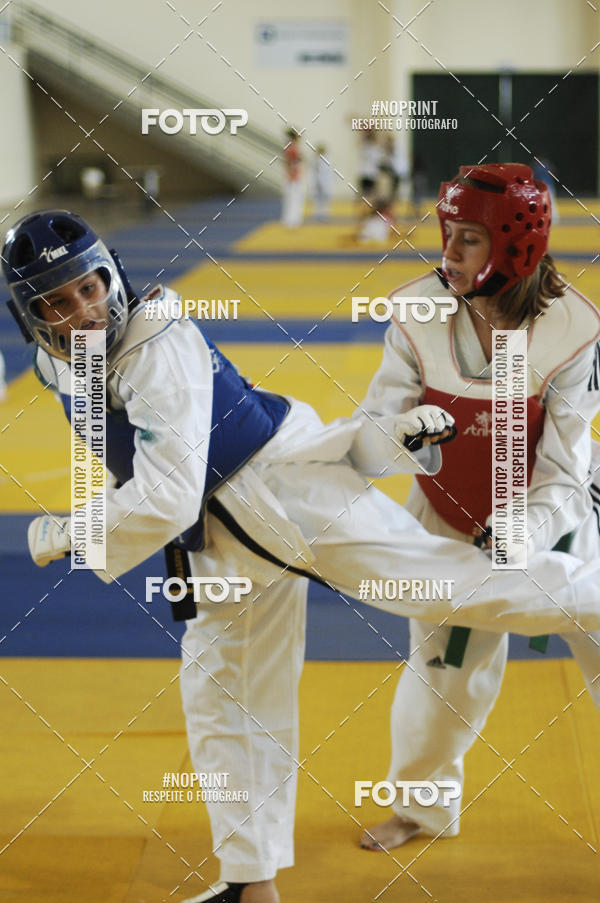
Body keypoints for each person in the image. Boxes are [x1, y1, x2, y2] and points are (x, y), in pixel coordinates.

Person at [4, 209, 600, 903]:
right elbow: (137, 458)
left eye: (90, 286)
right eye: (58, 298)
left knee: (450, 586)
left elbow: (165, 496)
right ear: (31, 315)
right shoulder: (61, 358)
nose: (83, 309)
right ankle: (250, 882)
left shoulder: (152, 342)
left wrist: (75, 531)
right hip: (224, 534)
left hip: (286, 490)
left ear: (113, 273)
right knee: (225, 693)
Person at [350, 163, 600, 853]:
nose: (446, 254)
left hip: (563, 521)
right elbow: (374, 426)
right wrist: (397, 439)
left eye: (466, 240)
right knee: (439, 682)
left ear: (515, 247)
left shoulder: (573, 330)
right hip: (446, 512)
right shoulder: (414, 312)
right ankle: (421, 811)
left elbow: (563, 471)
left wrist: (525, 527)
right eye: (446, 235)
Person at [280, 129, 304, 228]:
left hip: (292, 175)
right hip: (293, 177)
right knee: (294, 198)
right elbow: (289, 162)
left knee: (292, 198)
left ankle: (291, 220)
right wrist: (291, 174)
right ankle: (292, 220)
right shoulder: (292, 147)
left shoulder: (290, 147)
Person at [310, 144, 333, 222]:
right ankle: (318, 214)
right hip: (317, 183)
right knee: (317, 200)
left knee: (325, 200)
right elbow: (312, 172)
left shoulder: (327, 160)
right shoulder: (314, 160)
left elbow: (329, 172)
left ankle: (325, 214)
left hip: (325, 182)